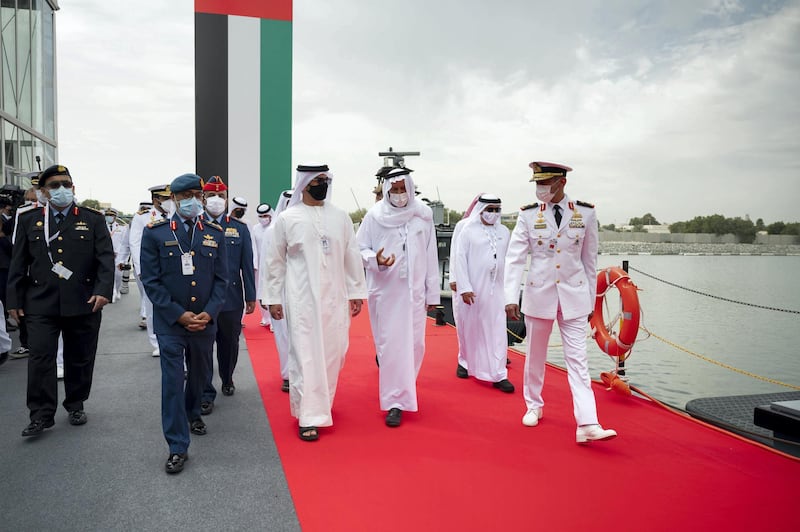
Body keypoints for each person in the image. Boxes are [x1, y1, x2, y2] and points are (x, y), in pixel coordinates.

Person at [503, 161, 617, 443]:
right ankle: (534, 404)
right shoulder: (528, 216)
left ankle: (587, 423)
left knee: (578, 360)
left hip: (574, 296)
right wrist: (509, 296)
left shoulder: (586, 213)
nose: (539, 189)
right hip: (539, 293)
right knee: (536, 356)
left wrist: (591, 303)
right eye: (537, 184)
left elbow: (589, 262)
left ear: (561, 183)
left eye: (544, 184)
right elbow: (515, 257)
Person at [7, 164, 114, 437]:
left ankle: (76, 403)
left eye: (66, 184)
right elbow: (18, 263)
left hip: (83, 300)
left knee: (79, 357)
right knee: (41, 357)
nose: (61, 189)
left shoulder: (92, 219)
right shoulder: (30, 219)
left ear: (74, 188)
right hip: (40, 302)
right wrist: (13, 301)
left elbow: (105, 259)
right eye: (54, 185)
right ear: (42, 191)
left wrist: (103, 290)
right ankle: (41, 414)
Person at [265, 164, 366, 441]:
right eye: (317, 180)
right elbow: (274, 262)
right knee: (306, 355)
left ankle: (322, 404)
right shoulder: (287, 218)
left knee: (334, 354)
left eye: (325, 179)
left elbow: (351, 254)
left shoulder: (340, 217)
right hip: (301, 299)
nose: (322, 183)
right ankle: (308, 414)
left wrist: (356, 291)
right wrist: (273, 298)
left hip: (335, 298)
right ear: (305, 183)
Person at [140, 173, 228, 474]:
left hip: (205, 322)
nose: (193, 200)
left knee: (201, 375)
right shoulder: (155, 232)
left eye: (197, 194)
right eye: (185, 195)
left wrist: (211, 311)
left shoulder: (215, 232)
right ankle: (177, 445)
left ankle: (193, 412)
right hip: (171, 324)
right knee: (173, 382)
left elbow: (222, 279)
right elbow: (151, 281)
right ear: (174, 199)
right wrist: (178, 314)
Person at [356, 167, 440, 428]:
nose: (400, 194)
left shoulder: (422, 217)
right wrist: (375, 260)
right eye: (395, 189)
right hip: (387, 292)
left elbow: (431, 256)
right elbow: (358, 248)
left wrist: (433, 294)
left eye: (404, 189)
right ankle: (395, 402)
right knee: (392, 347)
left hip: (415, 295)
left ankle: (404, 389)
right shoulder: (374, 216)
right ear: (387, 190)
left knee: (416, 346)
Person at [200, 176, 256, 413]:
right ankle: (204, 391)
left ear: (226, 200)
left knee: (229, 344)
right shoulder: (195, 224)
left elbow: (247, 264)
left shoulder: (239, 228)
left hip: (231, 298)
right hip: (201, 298)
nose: (216, 200)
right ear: (203, 198)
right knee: (201, 347)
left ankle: (227, 377)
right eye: (211, 196)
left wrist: (250, 296)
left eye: (220, 196)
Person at [453, 194, 514, 392]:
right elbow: (459, 259)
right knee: (472, 329)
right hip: (473, 289)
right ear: (480, 209)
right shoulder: (467, 230)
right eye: (489, 209)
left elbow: (511, 261)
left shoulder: (504, 232)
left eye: (497, 209)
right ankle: (467, 362)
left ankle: (497, 373)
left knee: (497, 328)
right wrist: (464, 287)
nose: (493, 214)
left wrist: (510, 292)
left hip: (497, 289)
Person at [128, 185, 173, 356]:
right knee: (152, 305)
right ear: (156, 200)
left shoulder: (175, 214)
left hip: (172, 268)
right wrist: (141, 269)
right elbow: (136, 243)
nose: (170, 202)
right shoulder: (142, 217)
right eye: (166, 198)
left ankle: (171, 338)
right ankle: (156, 342)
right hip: (151, 269)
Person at [260, 190, 292, 392]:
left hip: (306, 290)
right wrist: (266, 294)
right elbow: (266, 264)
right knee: (283, 334)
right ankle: (288, 374)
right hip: (281, 290)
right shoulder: (273, 230)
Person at [448, 193, 482, 379]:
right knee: (465, 324)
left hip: (487, 284)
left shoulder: (498, 230)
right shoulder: (463, 226)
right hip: (464, 282)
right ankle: (464, 360)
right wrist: (455, 279)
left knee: (490, 324)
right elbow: (455, 253)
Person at [250, 202, 273, 327]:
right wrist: (254, 264)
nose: (263, 218)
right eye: (261, 216)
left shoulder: (276, 227)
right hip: (259, 265)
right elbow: (253, 247)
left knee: (272, 290)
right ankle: (265, 317)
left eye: (266, 215)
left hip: (273, 264)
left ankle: (275, 320)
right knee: (260, 290)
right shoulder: (255, 228)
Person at [104, 207, 128, 303]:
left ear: (115, 217)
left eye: (111, 215)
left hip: (118, 255)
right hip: (105, 254)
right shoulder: (101, 226)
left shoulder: (122, 228)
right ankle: (111, 292)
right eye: (107, 215)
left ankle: (117, 290)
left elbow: (124, 243)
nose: (109, 217)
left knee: (118, 275)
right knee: (107, 274)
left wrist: (119, 254)